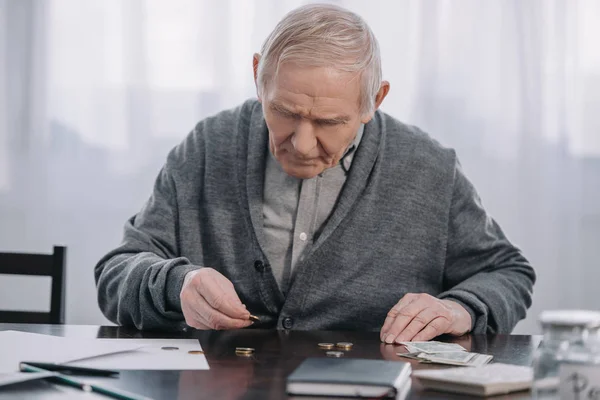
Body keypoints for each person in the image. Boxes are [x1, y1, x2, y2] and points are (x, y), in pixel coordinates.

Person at [95, 4, 535, 343]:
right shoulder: (209, 146)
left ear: (374, 100)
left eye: (328, 122)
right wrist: (177, 284)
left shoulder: (427, 167)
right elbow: (117, 273)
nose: (302, 143)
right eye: (283, 112)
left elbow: (508, 273)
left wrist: (460, 309)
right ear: (256, 76)